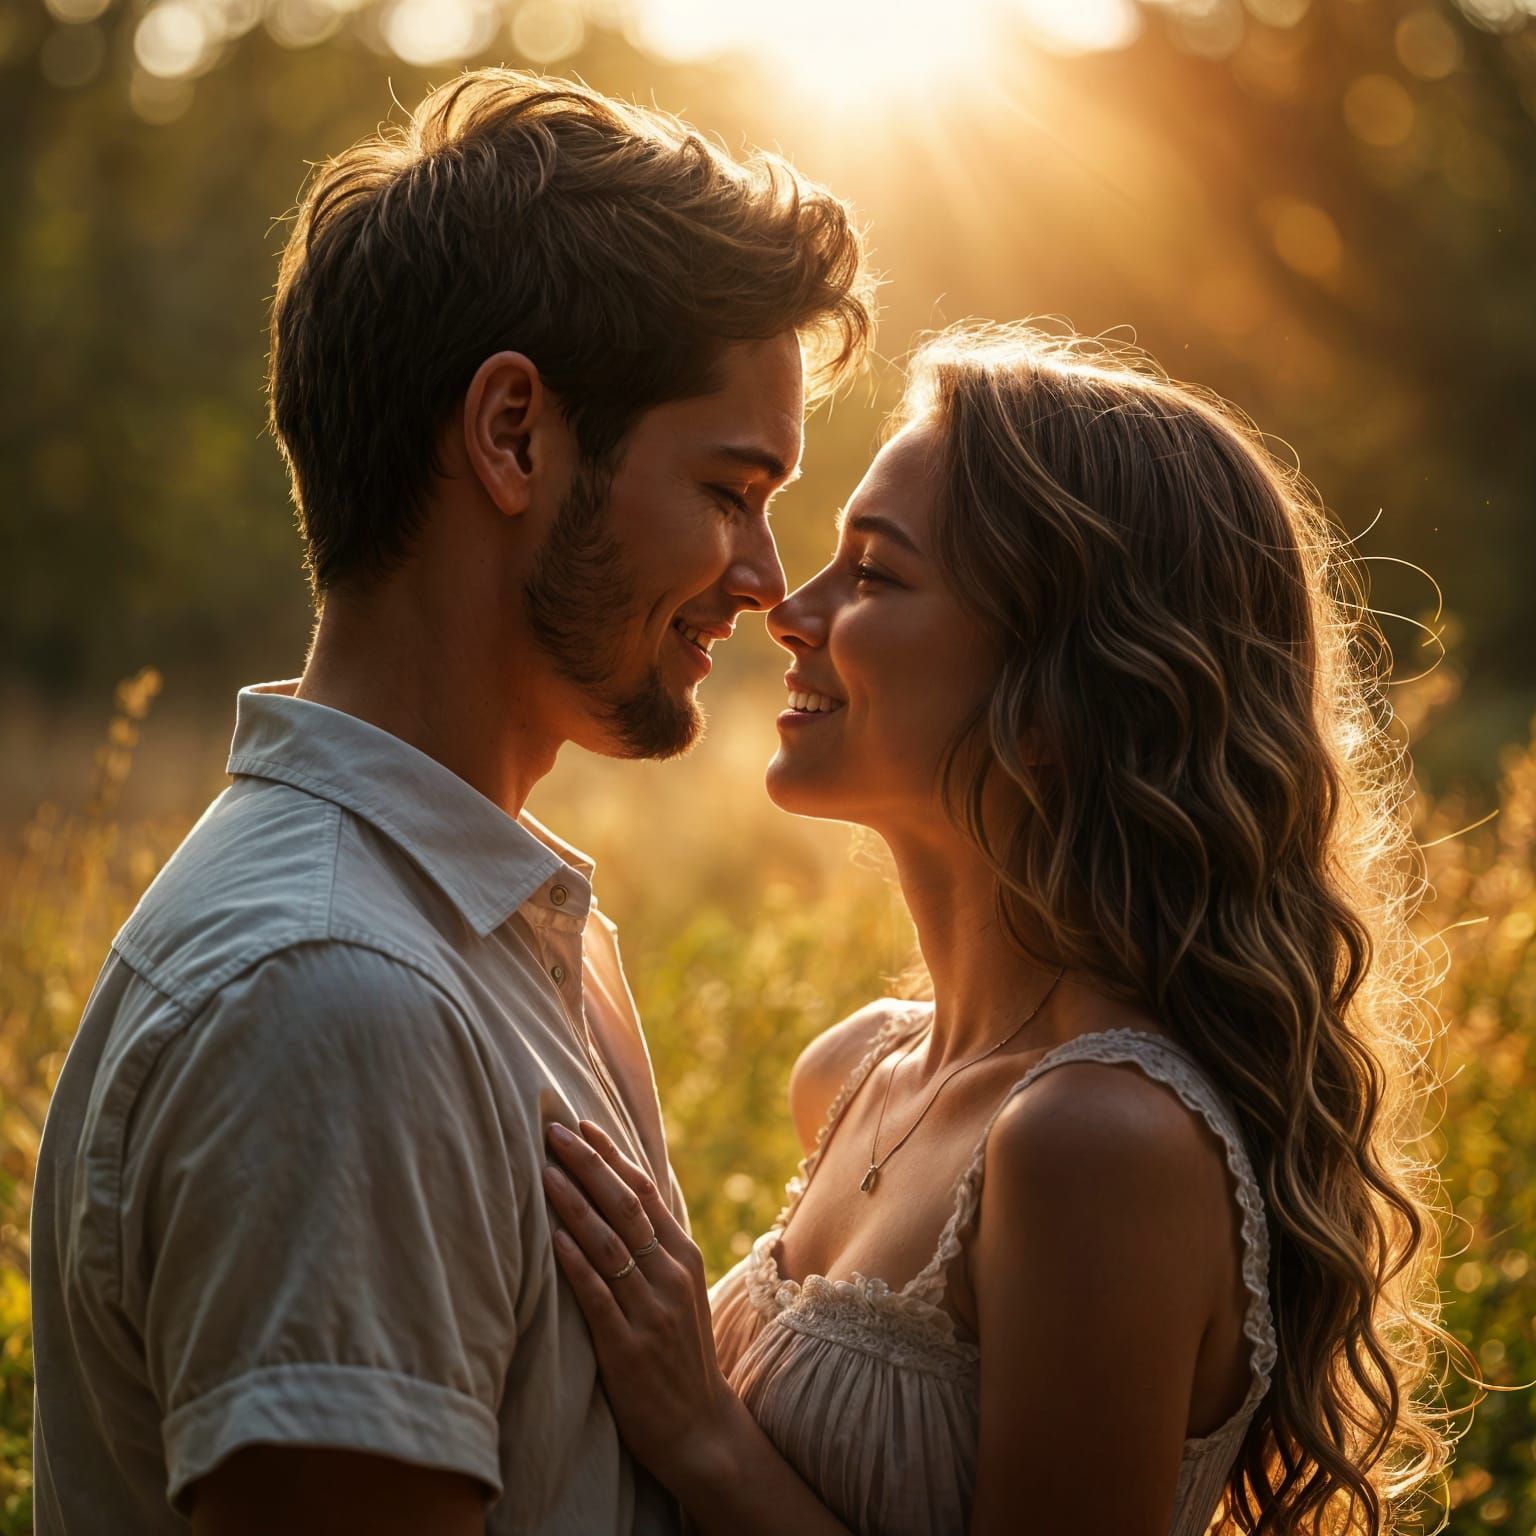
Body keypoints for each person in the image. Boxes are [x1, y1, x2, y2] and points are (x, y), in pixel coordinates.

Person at [29, 69, 873, 1534]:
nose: (764, 575)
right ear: (512, 435)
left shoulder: (490, 927)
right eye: (732, 488)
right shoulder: (337, 1001)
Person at [543, 324, 1456, 1534]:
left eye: (873, 574)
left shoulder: (1097, 1142)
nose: (788, 608)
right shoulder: (854, 1072)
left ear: (1053, 696)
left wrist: (702, 1430)